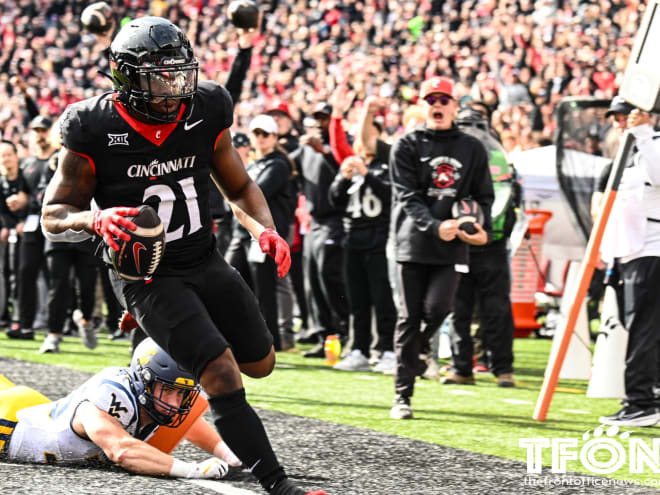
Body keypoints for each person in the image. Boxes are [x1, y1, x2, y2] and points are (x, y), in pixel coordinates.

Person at [40, 17, 323, 495]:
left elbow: (239, 185)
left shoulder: (207, 106)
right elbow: (53, 214)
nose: (172, 87)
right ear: (126, 78)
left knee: (261, 362)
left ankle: (162, 345)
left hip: (204, 256)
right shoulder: (92, 126)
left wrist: (265, 230)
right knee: (221, 372)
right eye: (158, 76)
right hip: (146, 273)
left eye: (178, 73)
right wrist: (95, 220)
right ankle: (277, 484)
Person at [388, 76, 494, 420]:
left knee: (440, 308)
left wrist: (482, 229)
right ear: (422, 105)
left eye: (443, 100)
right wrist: (436, 226)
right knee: (409, 317)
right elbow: (407, 197)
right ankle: (403, 395)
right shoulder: (406, 145)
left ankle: (417, 351)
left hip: (452, 247)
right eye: (430, 99)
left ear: (454, 105)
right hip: (413, 242)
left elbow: (484, 196)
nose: (437, 105)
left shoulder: (472, 147)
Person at [1, 337, 240, 476]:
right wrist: (192, 470)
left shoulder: (149, 397)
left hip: (35, 408)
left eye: (181, 394)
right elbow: (122, 451)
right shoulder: (110, 396)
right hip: (8, 423)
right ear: (143, 379)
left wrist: (231, 457)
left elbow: (188, 422)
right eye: (168, 390)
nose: (174, 403)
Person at [596, 97, 660, 427]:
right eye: (617, 118)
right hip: (628, 251)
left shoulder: (653, 144)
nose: (621, 123)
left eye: (626, 117)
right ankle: (651, 394)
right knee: (640, 326)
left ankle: (641, 401)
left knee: (643, 329)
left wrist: (646, 133)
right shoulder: (624, 155)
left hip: (651, 249)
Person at [327, 87, 397, 373]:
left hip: (378, 241)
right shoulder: (351, 163)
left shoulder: (389, 163)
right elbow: (335, 201)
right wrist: (343, 180)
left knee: (382, 299)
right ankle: (359, 349)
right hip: (352, 241)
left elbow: (390, 197)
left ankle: (388, 350)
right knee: (357, 300)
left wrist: (368, 176)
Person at [226, 114, 293, 351]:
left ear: (275, 137)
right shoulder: (253, 165)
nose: (260, 138)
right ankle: (239, 337)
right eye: (256, 133)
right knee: (227, 283)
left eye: (265, 134)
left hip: (262, 237)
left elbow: (256, 193)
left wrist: (236, 190)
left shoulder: (278, 164)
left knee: (264, 290)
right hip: (242, 233)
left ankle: (271, 341)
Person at [291, 102, 349, 358]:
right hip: (314, 222)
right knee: (312, 281)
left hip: (336, 219)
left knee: (329, 277)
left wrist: (323, 151)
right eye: (315, 117)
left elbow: (345, 174)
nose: (319, 123)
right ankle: (324, 335)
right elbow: (289, 168)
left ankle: (346, 333)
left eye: (323, 118)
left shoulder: (340, 146)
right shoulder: (305, 149)